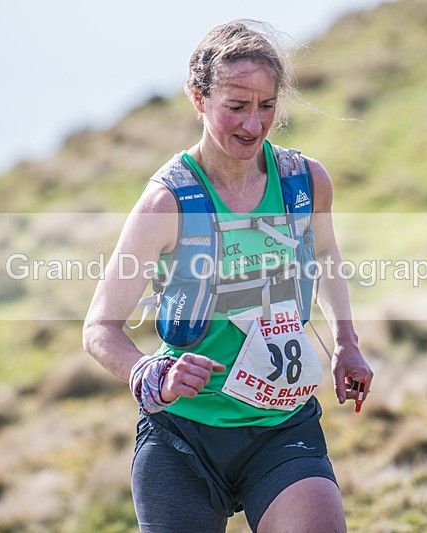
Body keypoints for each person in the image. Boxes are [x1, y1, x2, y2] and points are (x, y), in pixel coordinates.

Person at [83, 20, 373, 533]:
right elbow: (99, 329)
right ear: (198, 97)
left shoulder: (305, 184)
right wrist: (151, 374)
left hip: (283, 429)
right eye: (236, 107)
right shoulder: (168, 202)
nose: (253, 124)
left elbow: (326, 256)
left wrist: (347, 343)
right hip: (184, 440)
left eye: (266, 107)